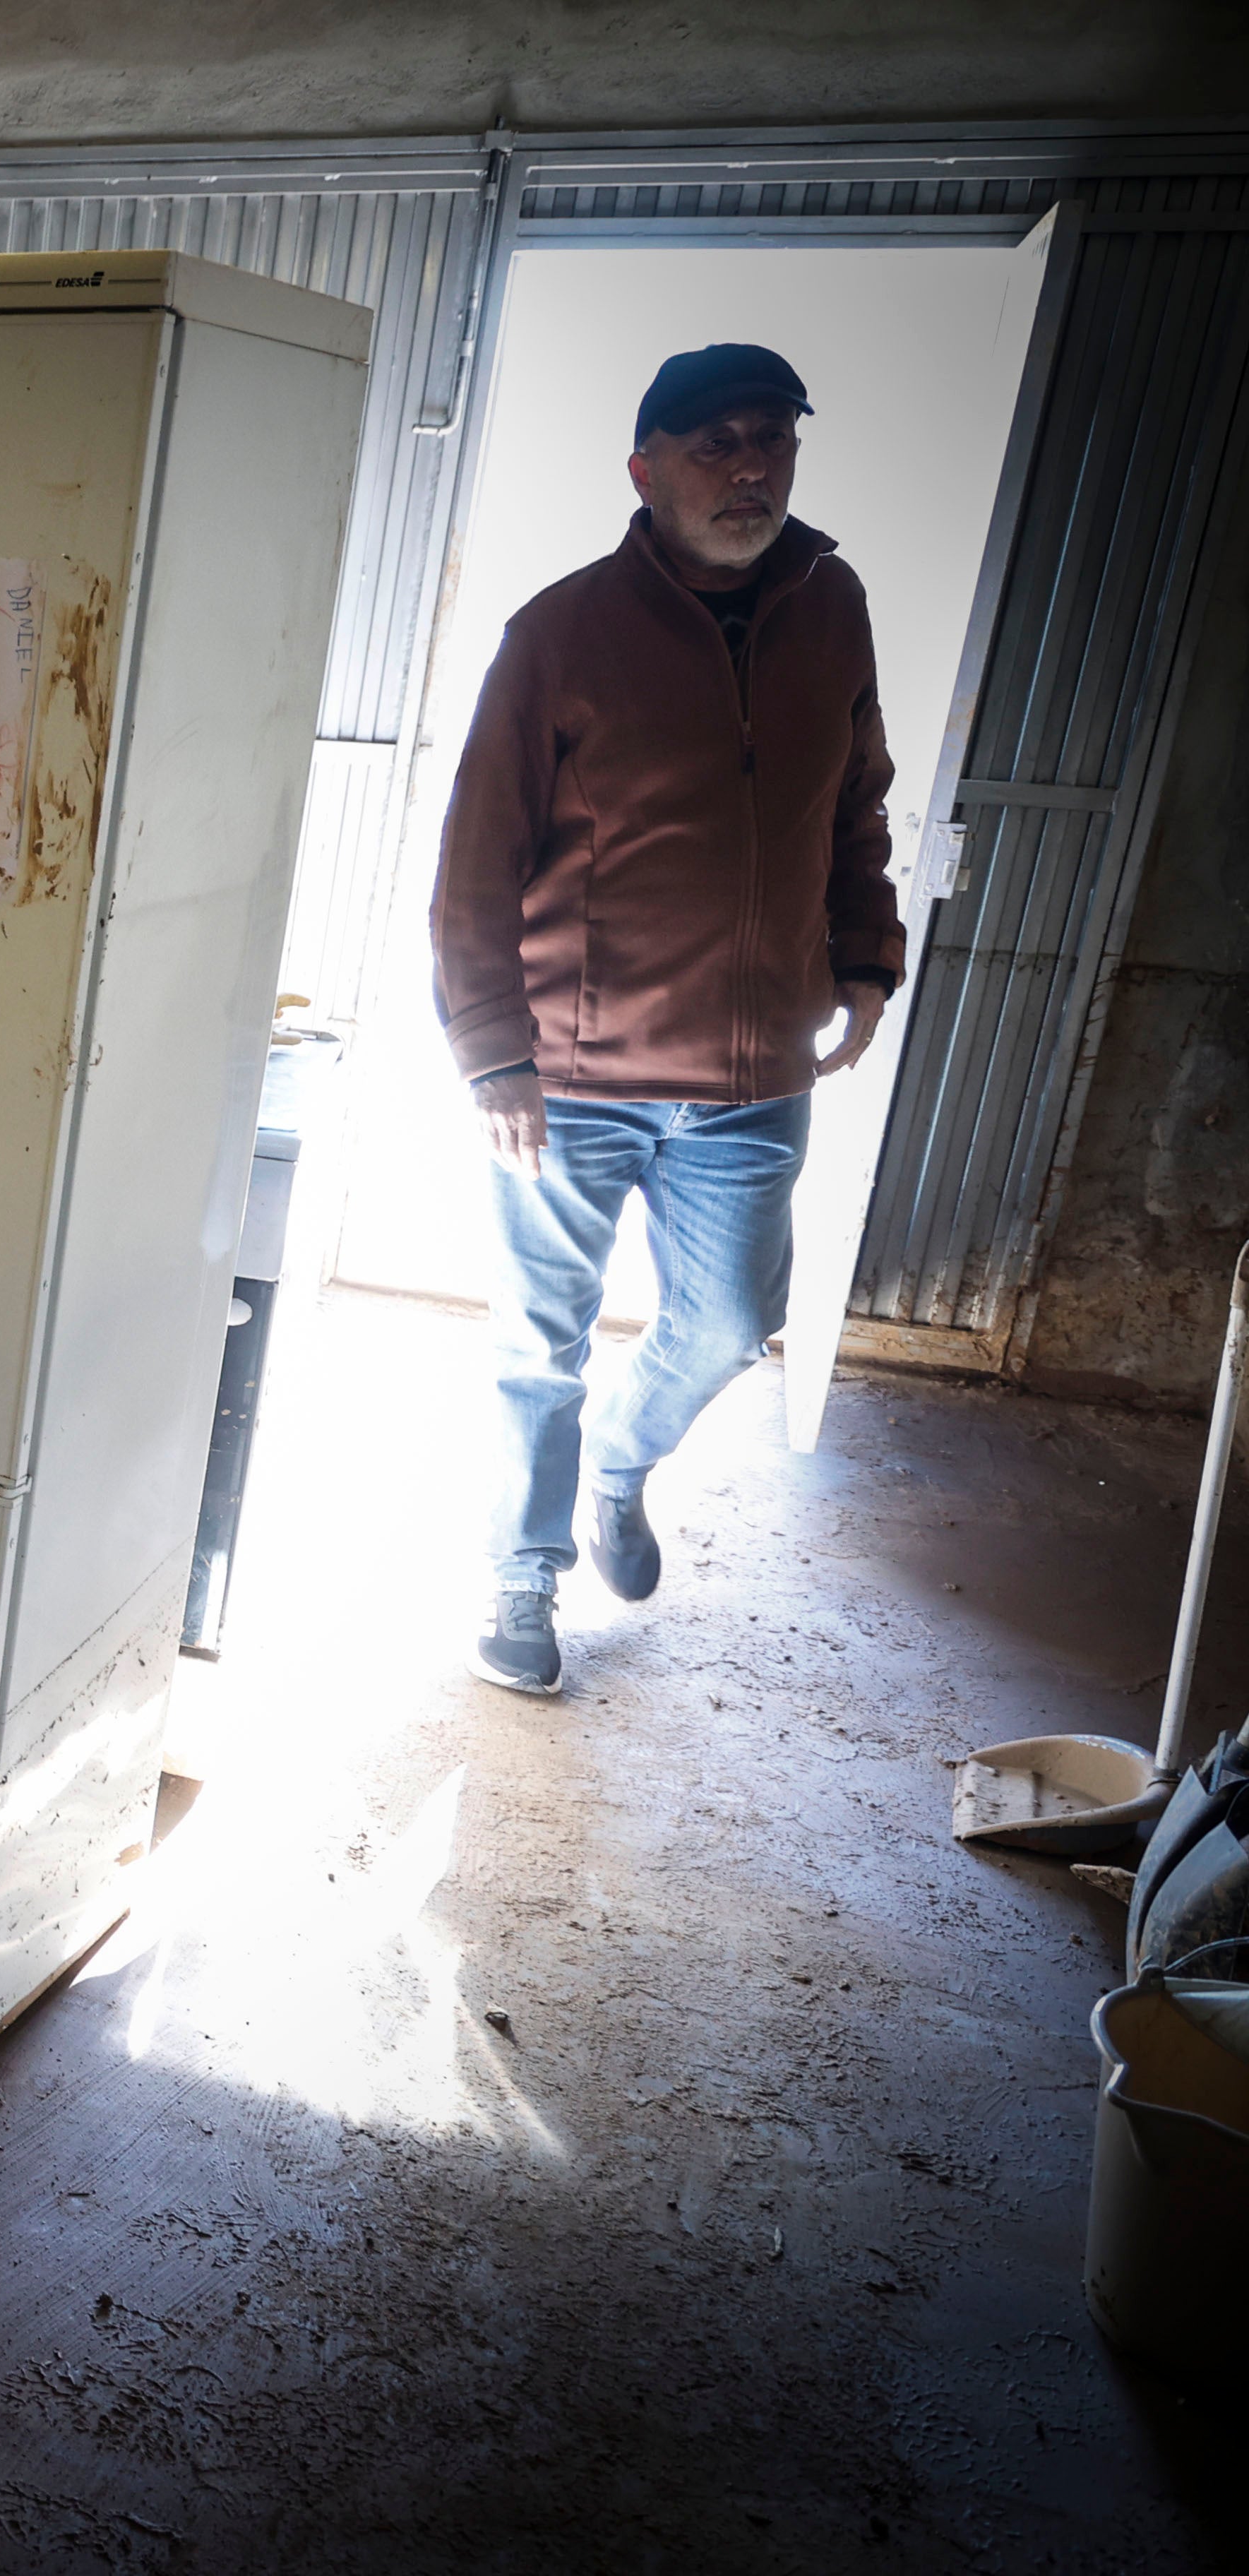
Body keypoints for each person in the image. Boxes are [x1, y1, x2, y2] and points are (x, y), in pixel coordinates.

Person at [429, 342, 904, 1695]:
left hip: (755, 1071)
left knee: (729, 1319)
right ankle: (519, 1582)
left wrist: (865, 957)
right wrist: (491, 1052)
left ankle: (616, 1470)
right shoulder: (561, 633)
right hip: (569, 1077)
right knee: (540, 1343)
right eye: (715, 443)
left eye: (772, 440)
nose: (749, 466)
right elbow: (474, 858)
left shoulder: (831, 603)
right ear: (644, 469)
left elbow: (854, 801)